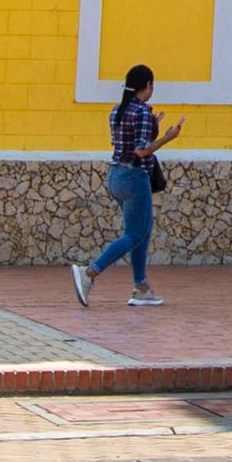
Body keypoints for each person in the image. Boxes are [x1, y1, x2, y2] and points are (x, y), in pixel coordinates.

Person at [71, 62, 168, 308]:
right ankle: (89, 273)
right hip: (135, 178)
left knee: (142, 232)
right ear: (148, 85)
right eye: (152, 85)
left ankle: (141, 287)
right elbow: (142, 150)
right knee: (134, 234)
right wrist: (168, 137)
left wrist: (153, 125)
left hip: (116, 176)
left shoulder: (117, 110)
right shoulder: (142, 112)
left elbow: (127, 142)